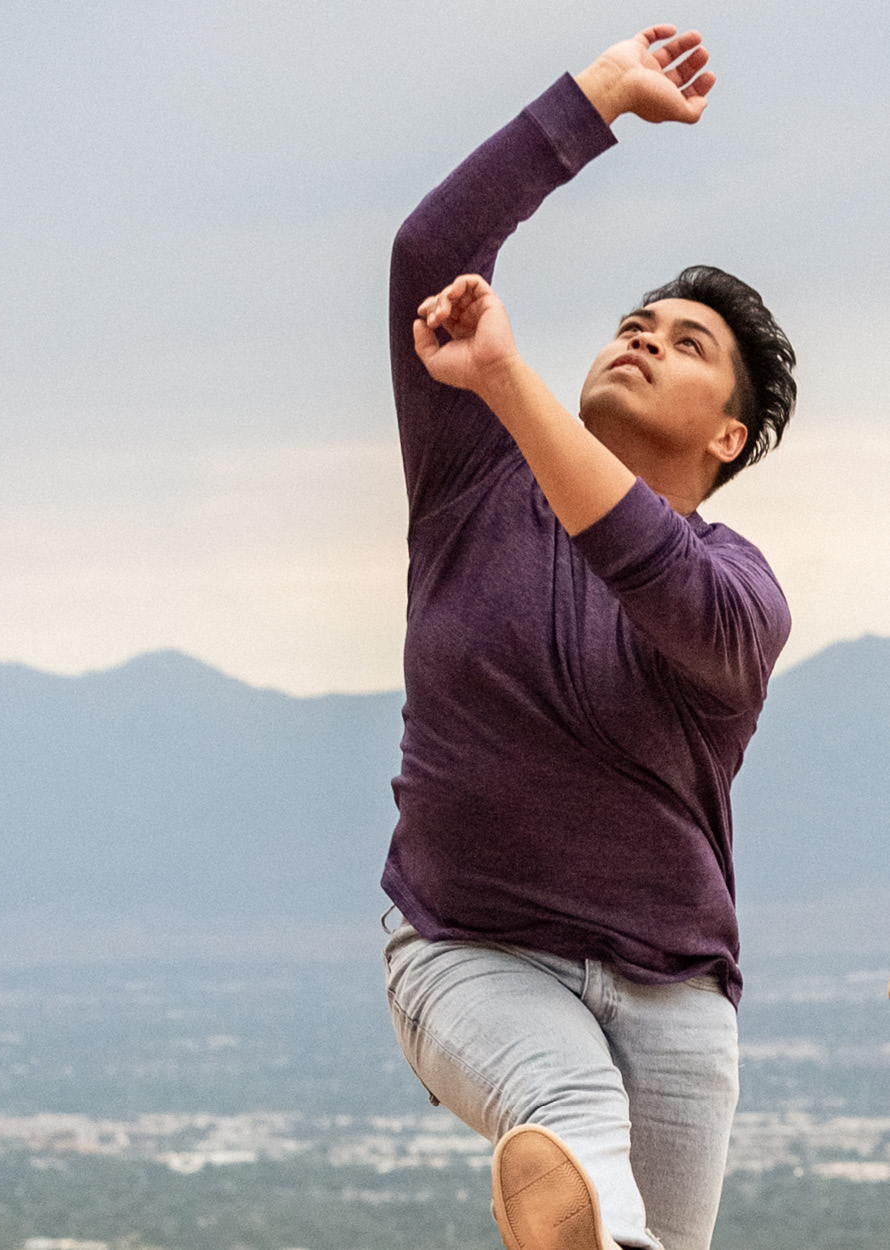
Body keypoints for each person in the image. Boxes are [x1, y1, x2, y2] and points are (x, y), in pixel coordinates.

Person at [379, 25, 797, 1250]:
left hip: (673, 990)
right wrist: (598, 96)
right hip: (467, 947)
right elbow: (426, 254)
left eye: (685, 345)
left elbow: (635, 558)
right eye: (635, 320)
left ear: (725, 438)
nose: (640, 337)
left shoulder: (736, 595)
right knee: (567, 1111)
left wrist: (511, 384)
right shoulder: (468, 477)